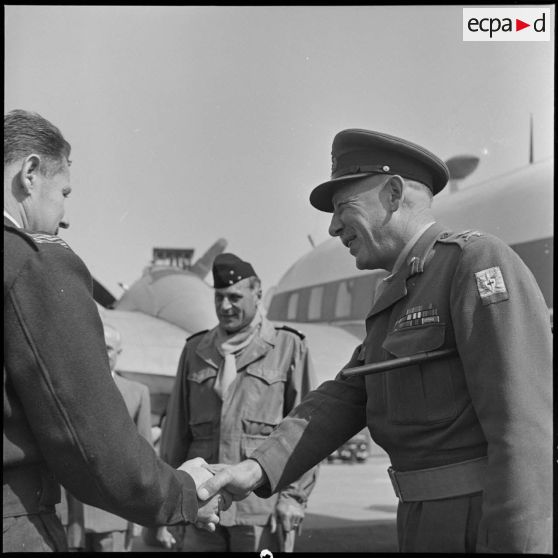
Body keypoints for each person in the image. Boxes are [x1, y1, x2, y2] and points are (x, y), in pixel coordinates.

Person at [196, 129, 553, 553]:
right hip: (420, 519)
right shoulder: (396, 292)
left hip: (474, 524)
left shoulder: (474, 264)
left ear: (393, 193)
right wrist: (256, 469)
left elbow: (524, 431)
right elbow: (347, 395)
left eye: (343, 207)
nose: (332, 227)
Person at [3, 109, 227, 552]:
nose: (64, 216)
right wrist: (181, 494)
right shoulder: (30, 261)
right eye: (63, 192)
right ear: (29, 174)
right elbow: (91, 440)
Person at [155, 253, 318, 553]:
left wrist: (293, 497)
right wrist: (173, 500)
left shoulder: (288, 347)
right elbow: (175, 434)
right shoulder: (195, 350)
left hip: (261, 507)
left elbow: (307, 429)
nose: (225, 306)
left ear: (257, 294)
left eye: (234, 297)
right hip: (203, 504)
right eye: (218, 297)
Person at [59, 323, 153, 552]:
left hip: (115, 512)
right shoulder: (66, 388)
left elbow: (145, 457)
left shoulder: (136, 392)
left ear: (119, 353)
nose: (102, 352)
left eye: (109, 348)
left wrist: (143, 513)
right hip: (73, 511)